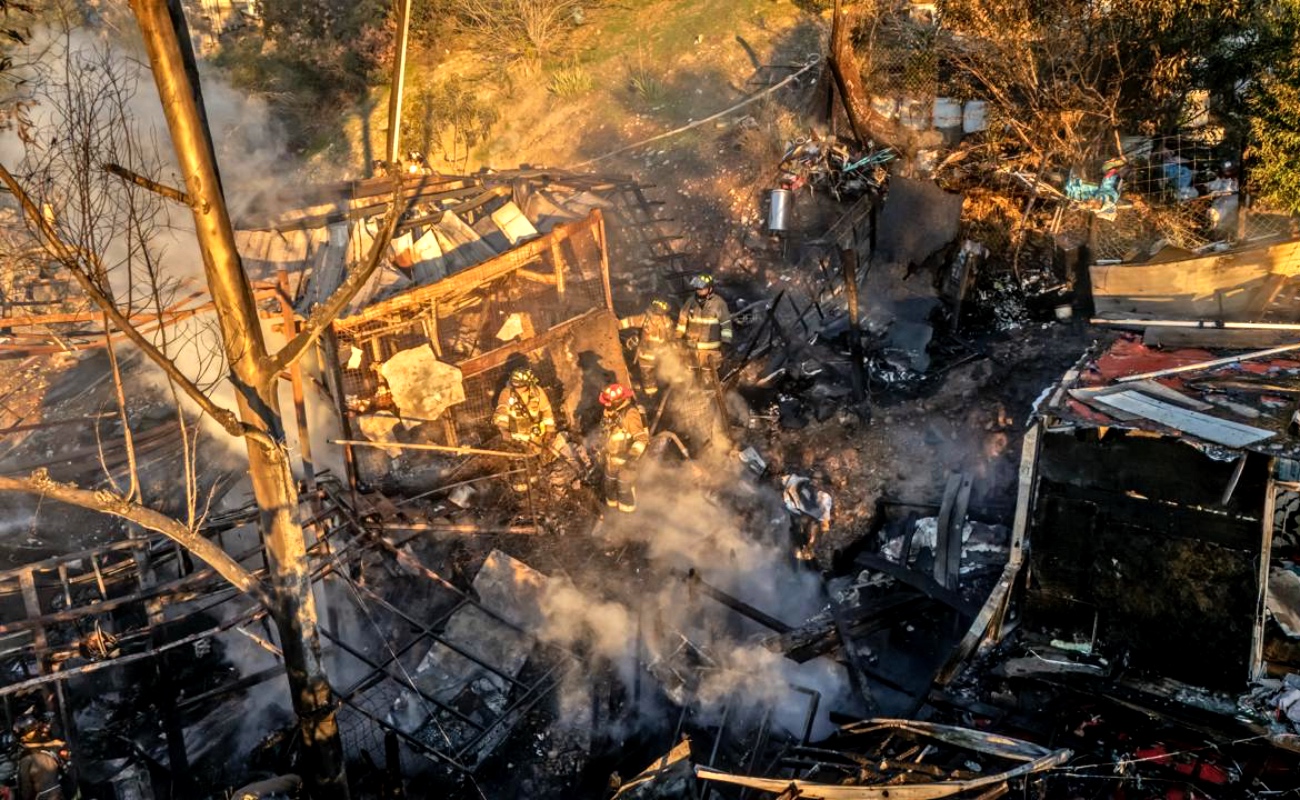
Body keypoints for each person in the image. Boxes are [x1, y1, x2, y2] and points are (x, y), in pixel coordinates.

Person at [494, 367, 561, 493]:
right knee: (518, 463)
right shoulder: (506, 394)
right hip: (516, 438)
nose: (519, 390)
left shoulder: (537, 392)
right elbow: (501, 414)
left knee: (533, 461)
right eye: (516, 387)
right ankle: (520, 492)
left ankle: (535, 488)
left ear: (528, 384)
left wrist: (549, 430)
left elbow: (547, 411)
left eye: (522, 387)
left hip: (534, 436)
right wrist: (504, 431)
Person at [676, 273, 732, 394]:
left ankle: (709, 405)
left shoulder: (719, 303)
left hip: (710, 352)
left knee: (709, 381)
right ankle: (689, 401)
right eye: (697, 288)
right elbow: (682, 321)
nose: (699, 291)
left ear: (710, 289)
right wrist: (679, 337)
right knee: (690, 378)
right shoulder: (690, 302)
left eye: (702, 288)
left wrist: (726, 343)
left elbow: (726, 324)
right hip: (692, 350)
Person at [598, 383, 649, 513]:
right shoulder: (609, 412)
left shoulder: (630, 414)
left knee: (623, 487)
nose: (606, 404)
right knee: (609, 486)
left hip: (626, 462)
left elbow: (642, 439)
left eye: (609, 402)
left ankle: (627, 517)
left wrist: (632, 458)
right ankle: (612, 514)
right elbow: (607, 434)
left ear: (618, 401)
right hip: (611, 460)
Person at [618, 297, 676, 398]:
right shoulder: (644, 319)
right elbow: (630, 321)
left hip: (662, 353)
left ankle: (667, 391)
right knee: (647, 375)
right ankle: (651, 395)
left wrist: (674, 345)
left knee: (665, 371)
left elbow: (671, 334)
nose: (656, 318)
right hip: (646, 354)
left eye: (659, 315)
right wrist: (617, 324)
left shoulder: (666, 321)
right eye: (655, 315)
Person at [13, 715, 67, 800]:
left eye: (36, 728)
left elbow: (25, 791)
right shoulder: (28, 758)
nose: (36, 731)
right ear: (23, 737)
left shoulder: (29, 758)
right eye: (31, 730)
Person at [782, 472, 833, 562]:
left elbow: (823, 523)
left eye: (817, 481)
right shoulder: (800, 484)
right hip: (797, 517)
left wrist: (811, 544)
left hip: (806, 522)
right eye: (814, 480)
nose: (815, 483)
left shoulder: (824, 499)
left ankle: (801, 556)